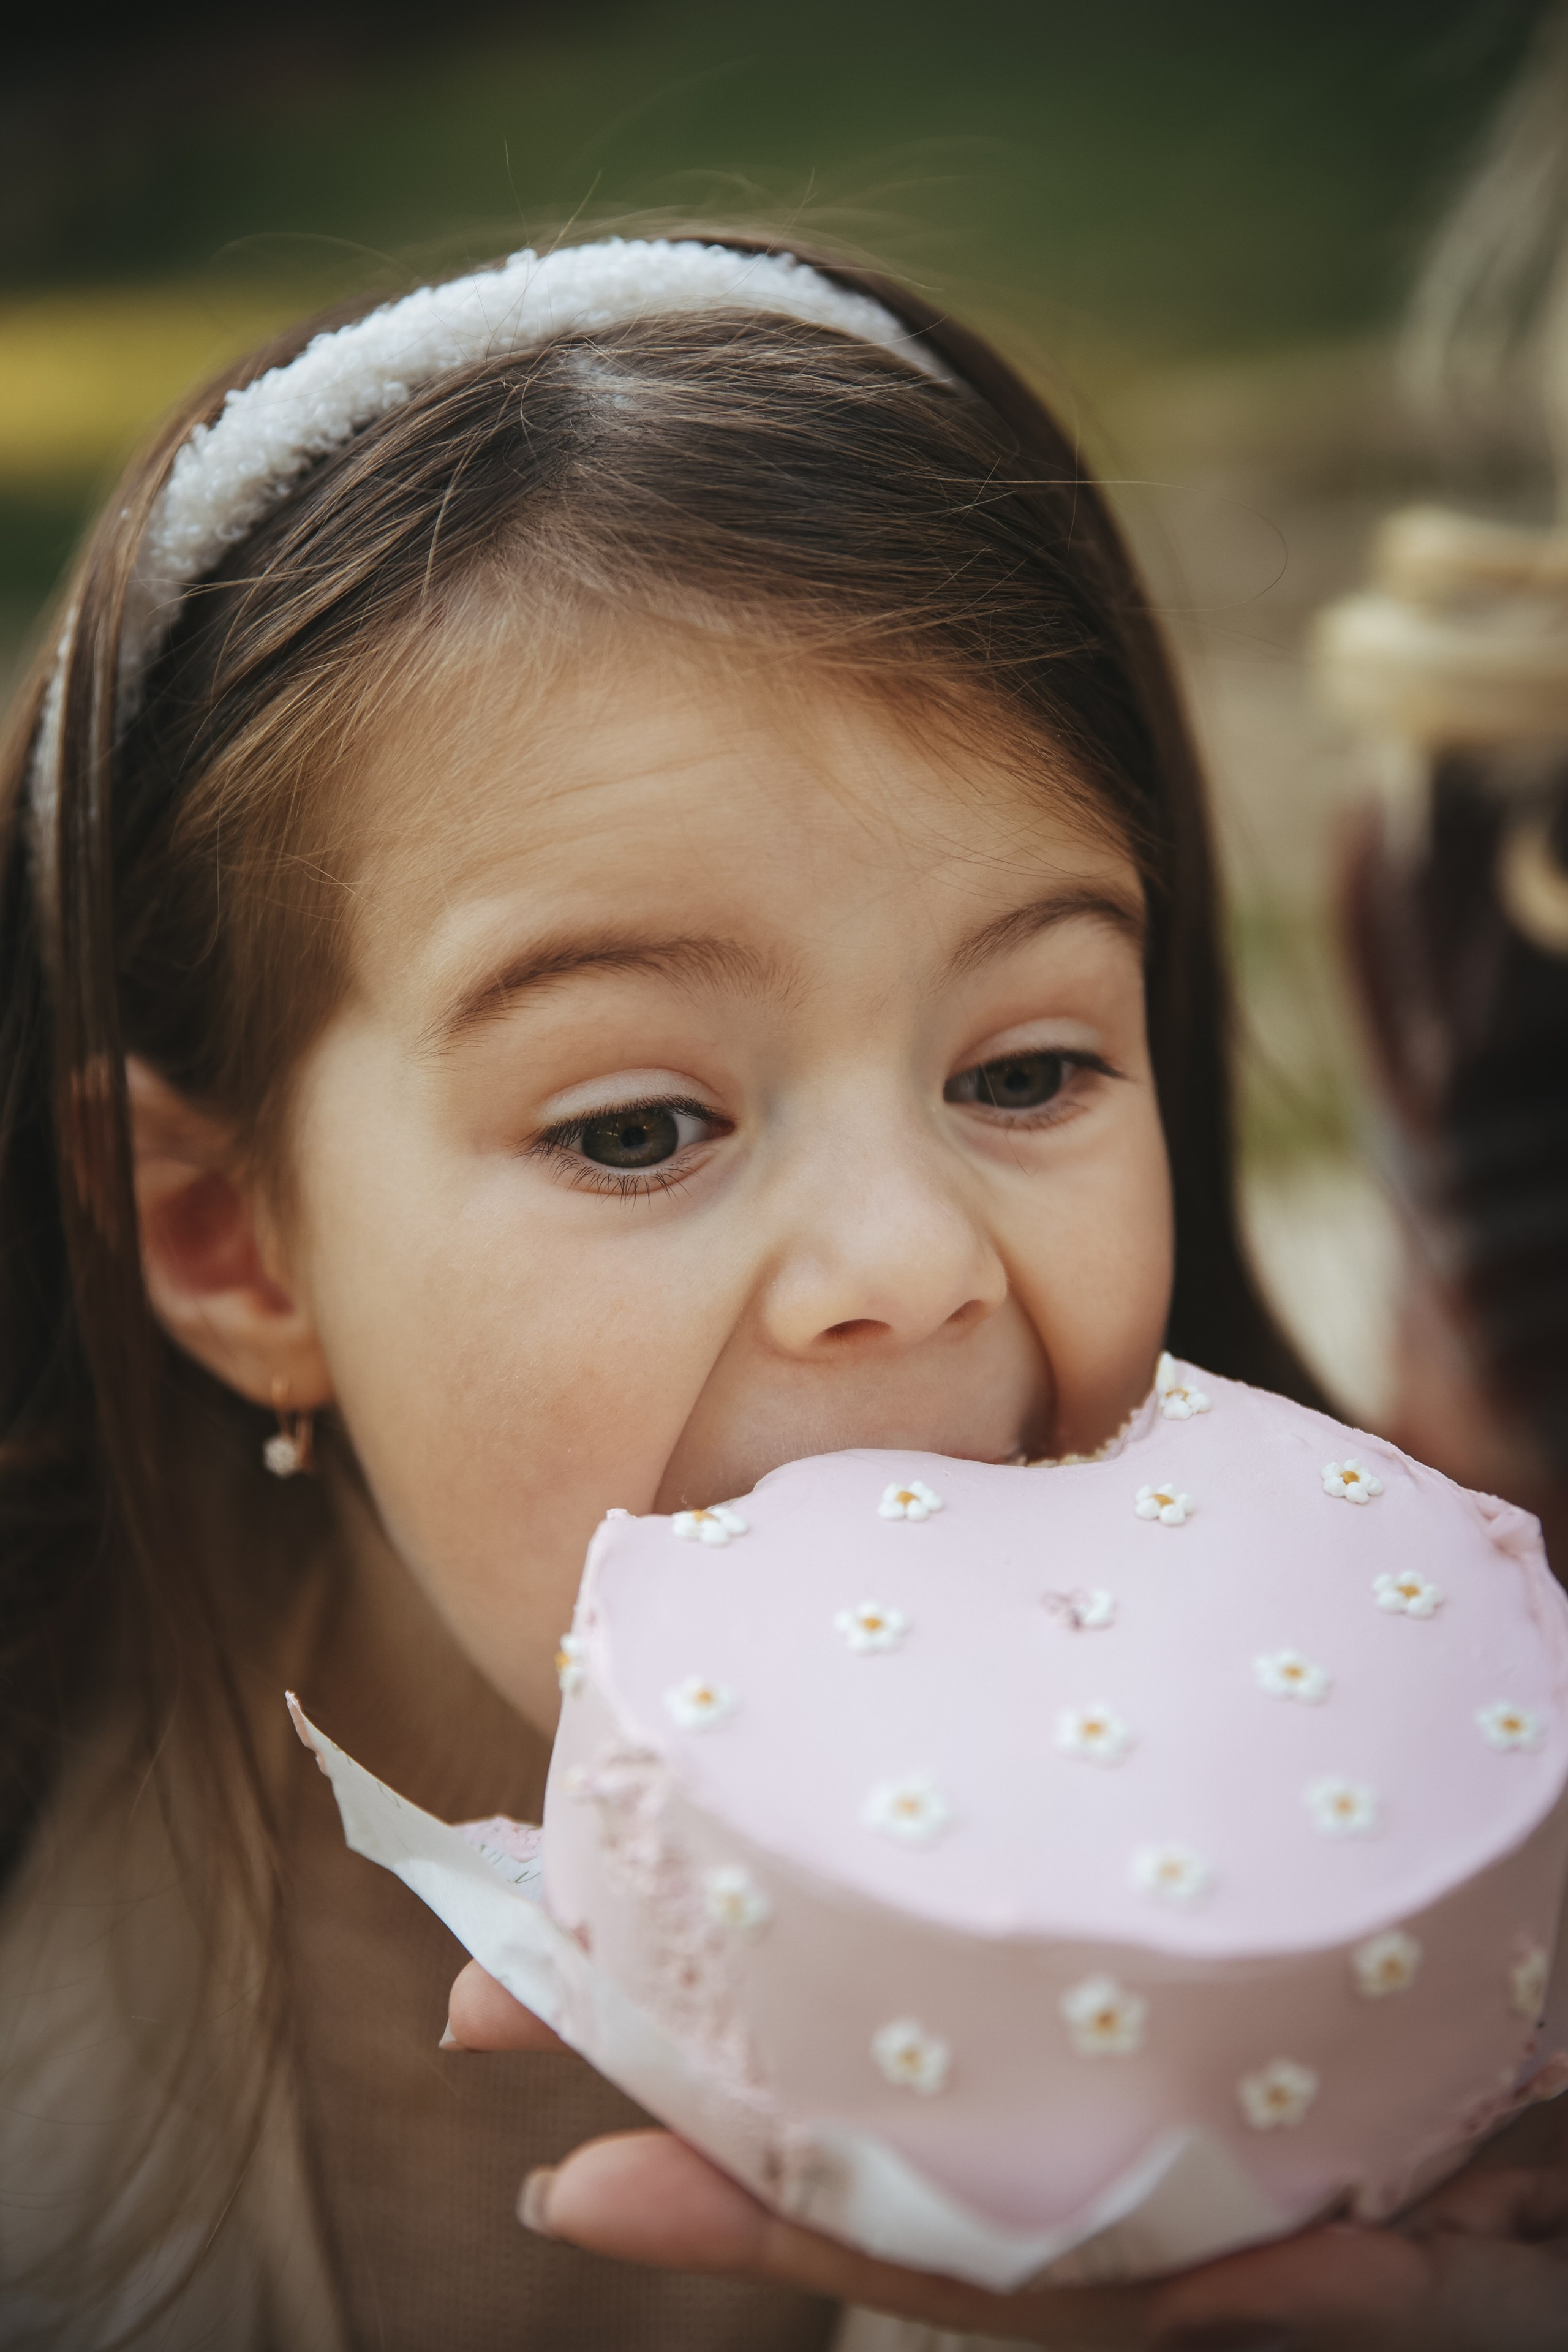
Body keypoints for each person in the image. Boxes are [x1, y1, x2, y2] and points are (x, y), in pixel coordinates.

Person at [0, 227, 1321, 2348]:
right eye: (634, 1128)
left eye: (1028, 1068)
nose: (906, 1262)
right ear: (230, 1245)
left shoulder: (1411, 1927)